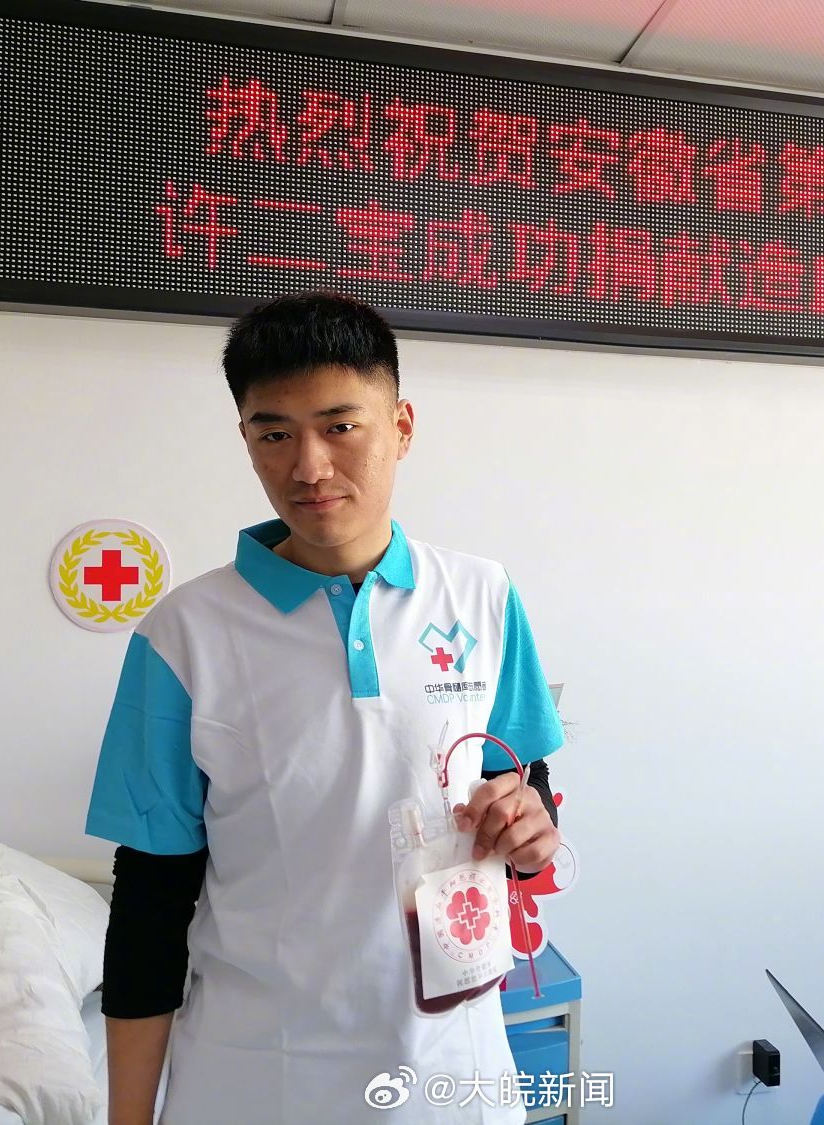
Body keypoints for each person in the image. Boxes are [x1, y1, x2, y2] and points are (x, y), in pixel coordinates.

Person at [84, 291, 566, 1124]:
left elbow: (522, 782)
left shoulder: (482, 597)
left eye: (340, 426)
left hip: (453, 1066)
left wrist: (530, 824)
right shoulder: (185, 634)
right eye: (275, 434)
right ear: (246, 440)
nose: (309, 467)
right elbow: (150, 903)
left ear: (402, 427)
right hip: (261, 1074)